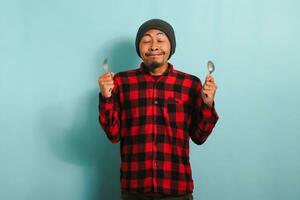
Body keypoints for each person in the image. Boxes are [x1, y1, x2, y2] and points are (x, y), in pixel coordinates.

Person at [98, 19, 219, 200]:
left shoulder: (190, 84)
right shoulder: (122, 83)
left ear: (171, 46)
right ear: (139, 48)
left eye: (161, 39)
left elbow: (199, 137)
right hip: (135, 189)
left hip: (177, 188)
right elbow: (113, 134)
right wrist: (107, 98)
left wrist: (207, 104)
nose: (154, 46)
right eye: (146, 40)